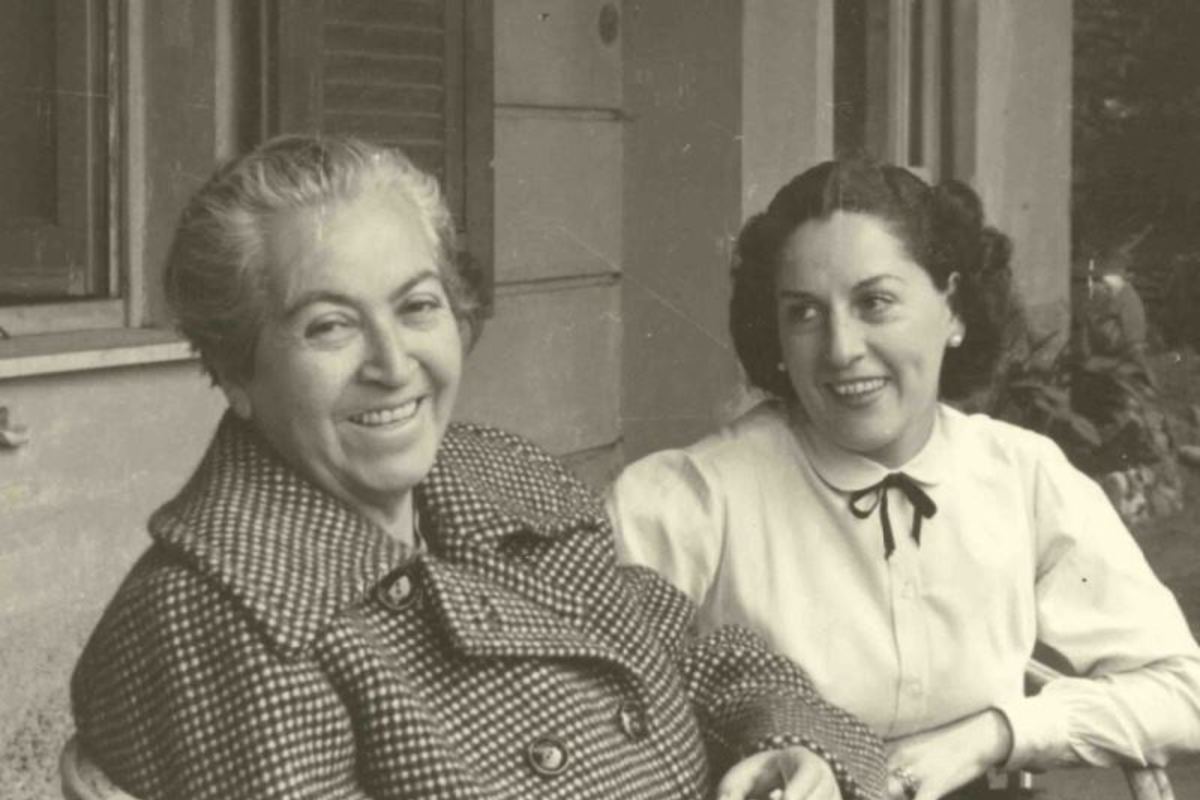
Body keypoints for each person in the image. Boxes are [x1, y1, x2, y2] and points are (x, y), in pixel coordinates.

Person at [69, 135, 886, 800]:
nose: (394, 365)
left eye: (417, 306)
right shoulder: (214, 618)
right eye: (329, 326)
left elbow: (705, 655)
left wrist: (790, 747)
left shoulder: (493, 479)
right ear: (236, 370)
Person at [608, 157, 1200, 800]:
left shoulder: (1022, 476)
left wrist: (996, 734)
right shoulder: (688, 501)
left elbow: (1182, 690)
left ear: (953, 310)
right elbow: (589, 715)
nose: (841, 349)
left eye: (875, 303)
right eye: (804, 313)